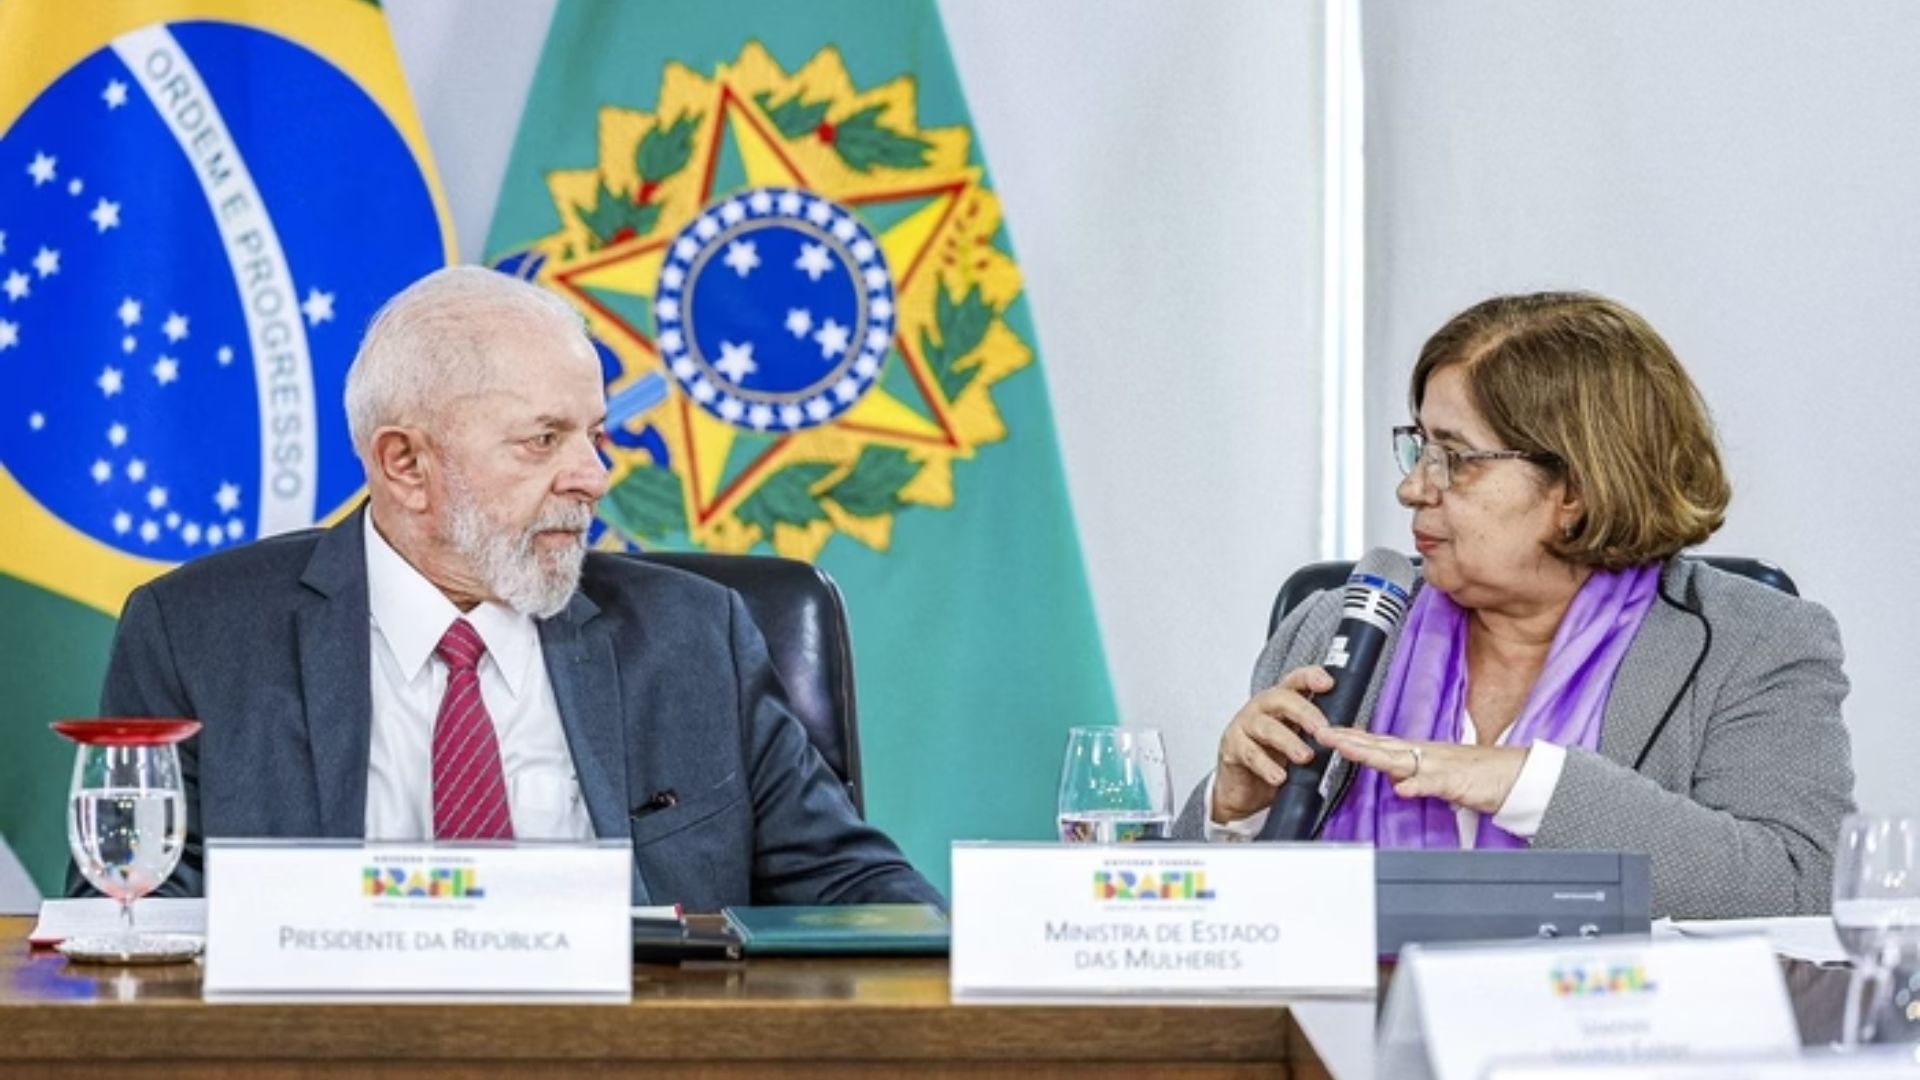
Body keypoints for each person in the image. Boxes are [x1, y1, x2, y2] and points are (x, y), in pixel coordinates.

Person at [80, 266, 941, 910]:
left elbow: (852, 885)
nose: (594, 476)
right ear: (405, 464)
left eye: (596, 436)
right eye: (543, 440)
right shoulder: (197, 633)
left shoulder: (692, 634)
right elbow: (127, 911)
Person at [1175, 291, 1853, 919]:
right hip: (1346, 1036)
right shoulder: (1333, 630)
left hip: (1615, 1037)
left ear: (1577, 488)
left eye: (1456, 458)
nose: (1413, 488)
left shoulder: (1754, 642)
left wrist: (1526, 784)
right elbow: (1187, 928)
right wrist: (1232, 814)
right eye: (1418, 448)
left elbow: (1796, 883)